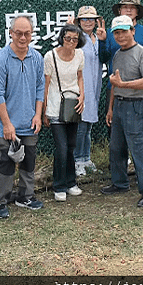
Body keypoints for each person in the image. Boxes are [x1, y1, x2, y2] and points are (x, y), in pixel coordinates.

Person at [0, 14, 45, 219]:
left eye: (27, 33)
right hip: (7, 124)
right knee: (6, 162)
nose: (22, 37)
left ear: (32, 34)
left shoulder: (37, 58)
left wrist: (38, 115)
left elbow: (40, 88)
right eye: (18, 33)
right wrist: (7, 124)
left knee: (29, 160)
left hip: (30, 122)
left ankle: (25, 196)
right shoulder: (0, 59)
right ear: (11, 33)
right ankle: (0, 201)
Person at [100, 15, 143, 208]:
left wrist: (124, 84)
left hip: (136, 105)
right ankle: (119, 183)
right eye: (116, 33)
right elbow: (114, 85)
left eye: (124, 31)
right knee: (117, 148)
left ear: (133, 31)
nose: (120, 36)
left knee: (140, 149)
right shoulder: (117, 54)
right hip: (119, 106)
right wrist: (110, 108)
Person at [43, 24, 86, 201]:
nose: (70, 42)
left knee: (71, 147)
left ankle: (71, 182)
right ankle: (59, 185)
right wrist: (44, 110)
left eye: (74, 39)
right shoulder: (50, 56)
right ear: (62, 37)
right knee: (61, 148)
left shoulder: (80, 54)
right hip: (55, 106)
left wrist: (82, 96)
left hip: (73, 106)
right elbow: (45, 84)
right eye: (67, 38)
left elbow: (80, 77)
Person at [70, 6, 106, 176]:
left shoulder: (99, 38)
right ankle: (77, 160)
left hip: (95, 84)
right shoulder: (76, 39)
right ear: (78, 21)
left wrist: (104, 40)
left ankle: (86, 158)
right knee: (81, 126)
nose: (88, 22)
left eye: (91, 18)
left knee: (89, 125)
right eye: (84, 19)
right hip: (81, 86)